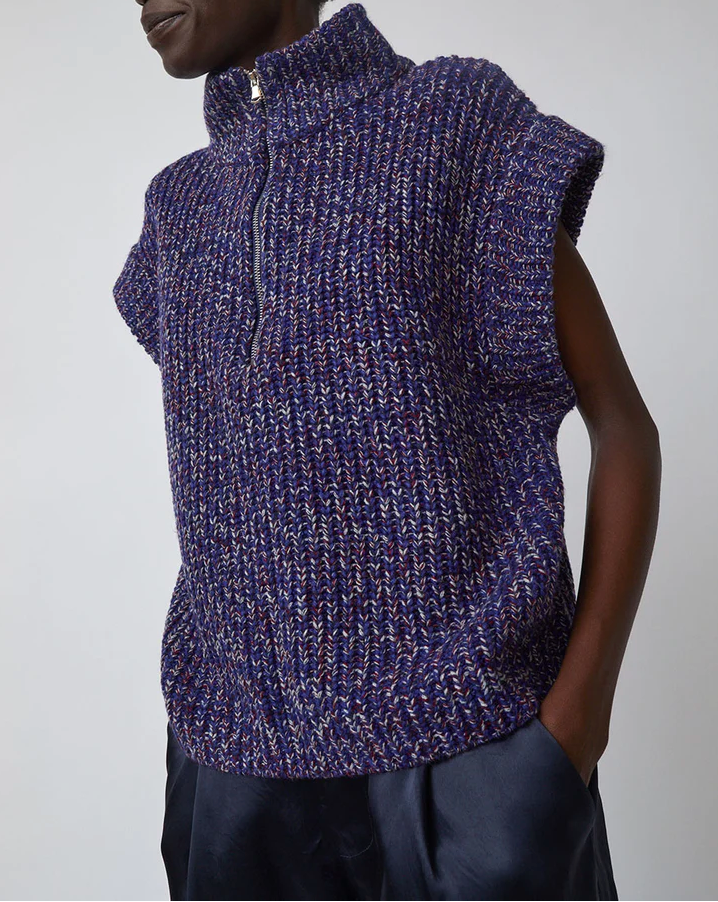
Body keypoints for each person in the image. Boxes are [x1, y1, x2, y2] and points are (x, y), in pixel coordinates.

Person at [116, 1, 661, 899]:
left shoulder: (453, 121)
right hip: (234, 779)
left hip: (470, 765)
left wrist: (577, 726)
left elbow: (623, 425)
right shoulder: (178, 208)